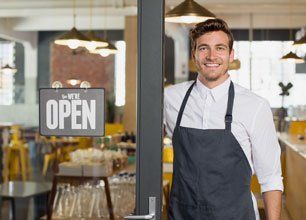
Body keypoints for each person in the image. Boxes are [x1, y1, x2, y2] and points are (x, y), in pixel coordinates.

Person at [164, 18, 283, 220]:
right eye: (203, 48)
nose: (211, 56)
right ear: (194, 55)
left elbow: (270, 178)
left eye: (220, 48)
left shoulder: (255, 106)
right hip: (182, 215)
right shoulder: (170, 98)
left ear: (230, 54)